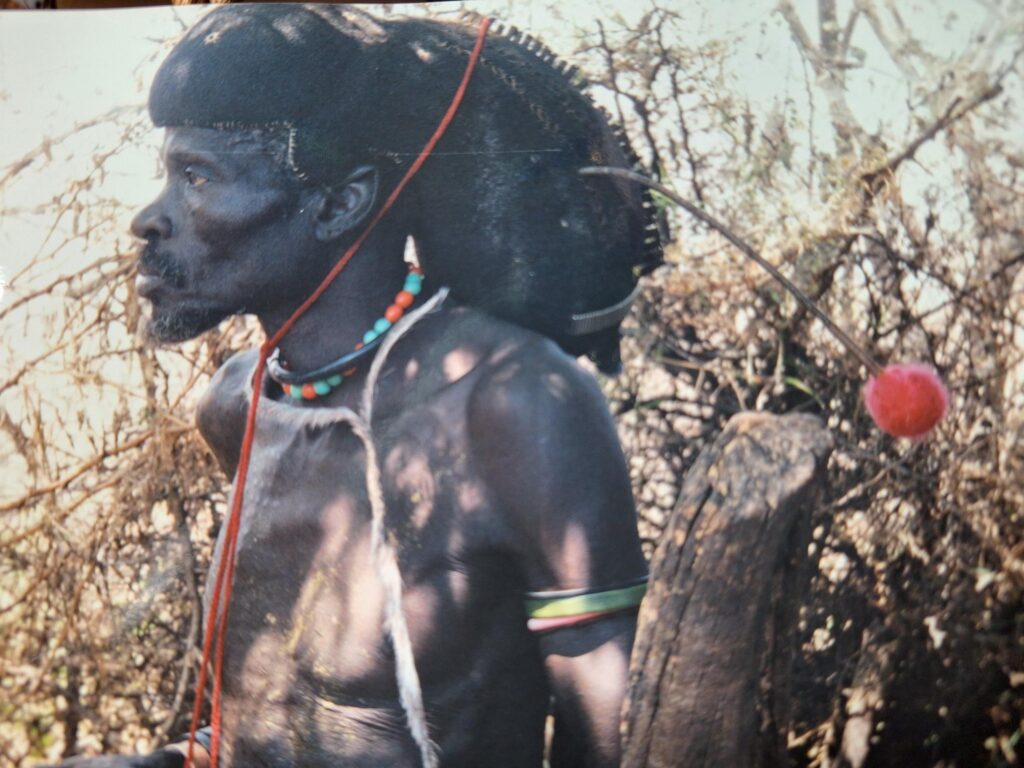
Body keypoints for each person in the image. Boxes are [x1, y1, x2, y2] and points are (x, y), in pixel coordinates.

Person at [48, 5, 660, 767]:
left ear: (341, 203)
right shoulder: (241, 405)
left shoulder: (514, 404)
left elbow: (616, 745)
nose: (148, 219)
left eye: (197, 176)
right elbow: (278, 725)